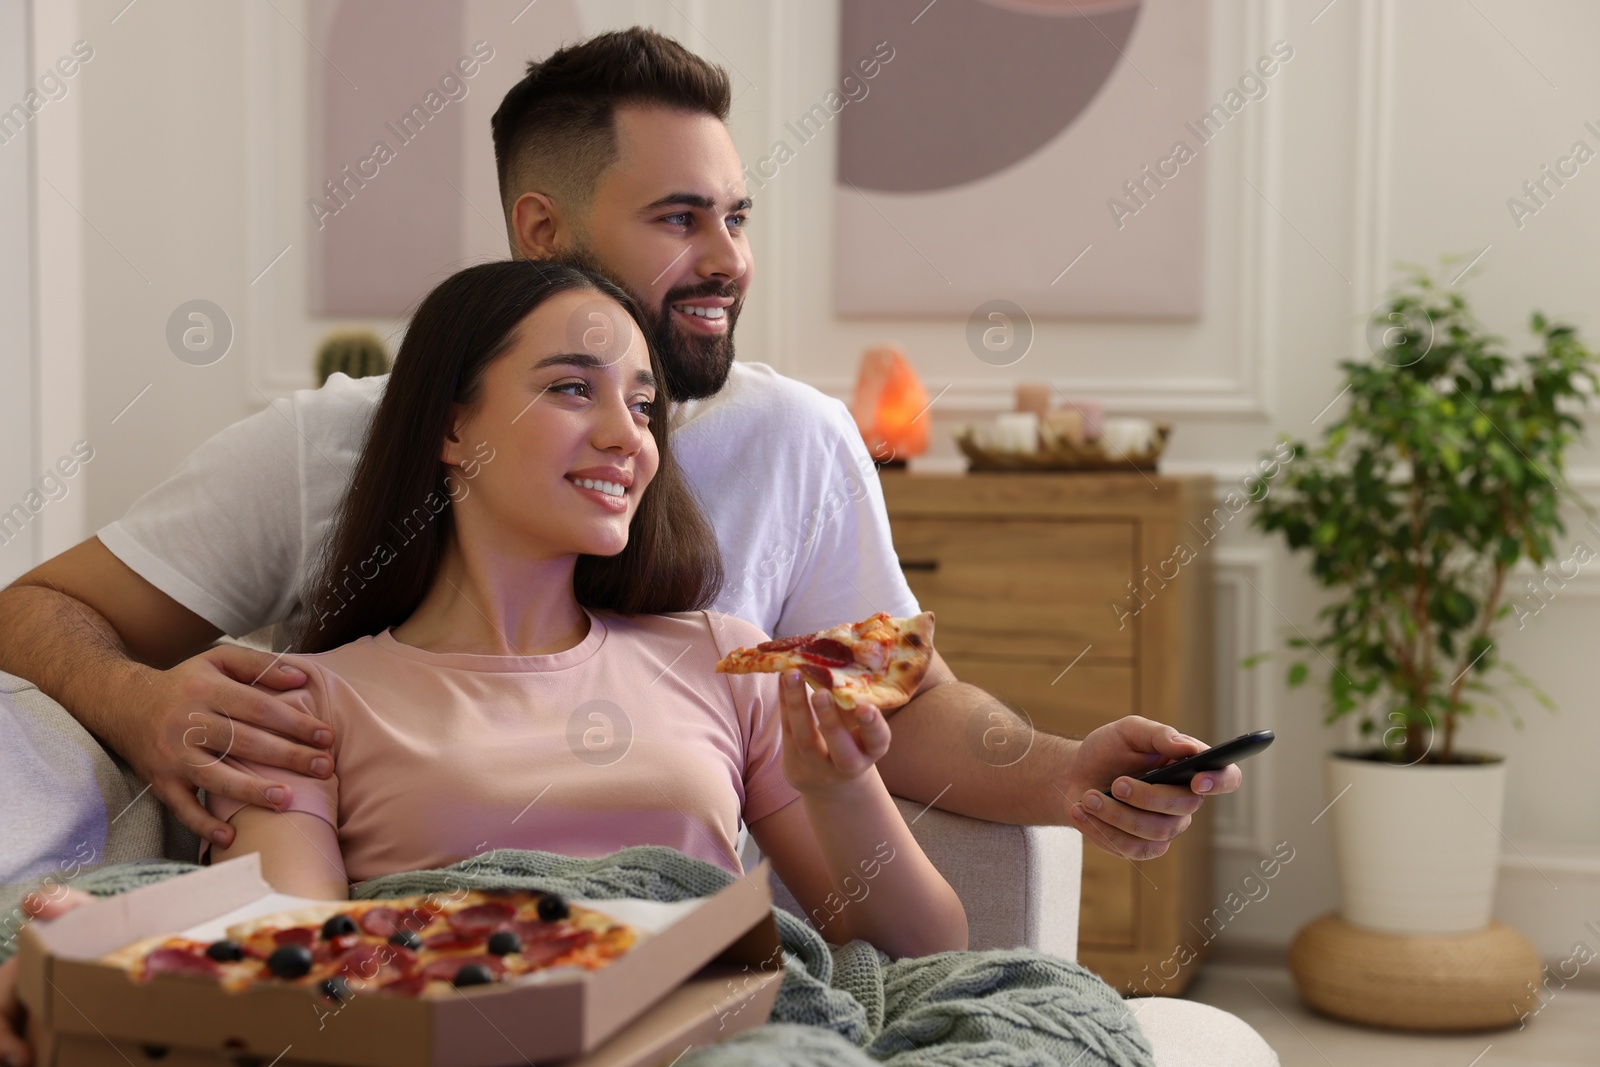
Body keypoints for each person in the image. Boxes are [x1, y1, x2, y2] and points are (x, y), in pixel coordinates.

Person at [0, 28, 1238, 870]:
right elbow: (37, 608)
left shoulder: (796, 439)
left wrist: (1071, 769)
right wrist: (139, 701)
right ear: (543, 228)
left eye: (737, 216)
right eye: (678, 217)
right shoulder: (328, 443)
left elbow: (897, 705)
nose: (729, 259)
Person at [0, 258, 967, 1066]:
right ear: (451, 429)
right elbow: (294, 970)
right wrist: (112, 969)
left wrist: (839, 790)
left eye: (643, 405)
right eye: (571, 387)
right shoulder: (312, 701)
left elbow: (930, 951)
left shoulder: (718, 658)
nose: (626, 436)